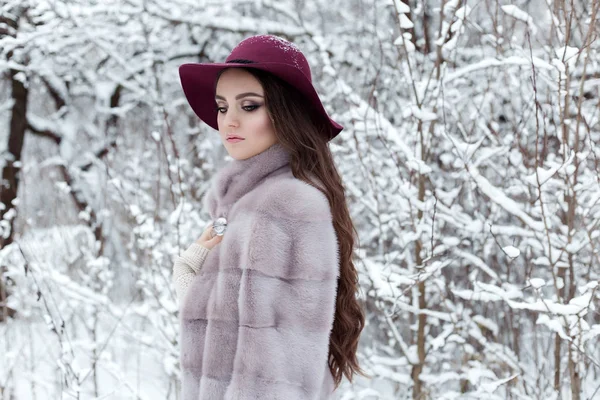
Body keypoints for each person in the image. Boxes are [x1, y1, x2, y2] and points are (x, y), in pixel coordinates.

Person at [172, 34, 367, 400]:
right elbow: (231, 338)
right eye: (222, 106)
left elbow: (274, 374)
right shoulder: (244, 206)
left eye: (249, 106)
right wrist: (191, 277)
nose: (229, 121)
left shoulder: (284, 206)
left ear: (284, 112)